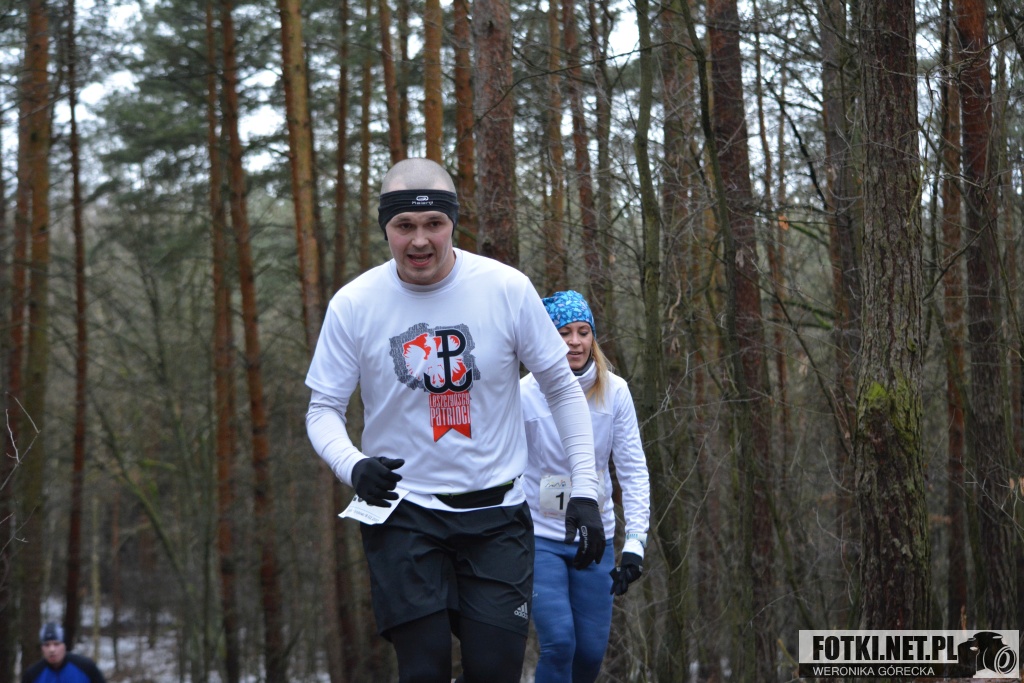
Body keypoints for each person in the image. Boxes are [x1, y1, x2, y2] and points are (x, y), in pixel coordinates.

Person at [304, 158, 605, 683]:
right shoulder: (354, 304)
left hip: (497, 514)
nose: (420, 240)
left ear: (452, 223)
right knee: (423, 670)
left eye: (433, 224)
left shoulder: (506, 288)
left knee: (494, 672)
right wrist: (352, 465)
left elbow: (562, 387)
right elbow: (322, 409)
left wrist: (585, 489)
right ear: (385, 228)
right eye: (404, 225)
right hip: (403, 513)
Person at [520, 290, 652, 683]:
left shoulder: (615, 391)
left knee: (590, 653)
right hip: (540, 536)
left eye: (583, 331)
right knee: (560, 644)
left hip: (596, 536)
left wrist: (635, 543)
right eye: (563, 333)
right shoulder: (525, 393)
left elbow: (633, 470)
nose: (574, 342)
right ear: (547, 337)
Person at [21, 622, 107, 683]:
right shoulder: (32, 674)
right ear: (41, 648)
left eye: (56, 644)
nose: (52, 649)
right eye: (47, 645)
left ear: (64, 646)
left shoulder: (86, 668)